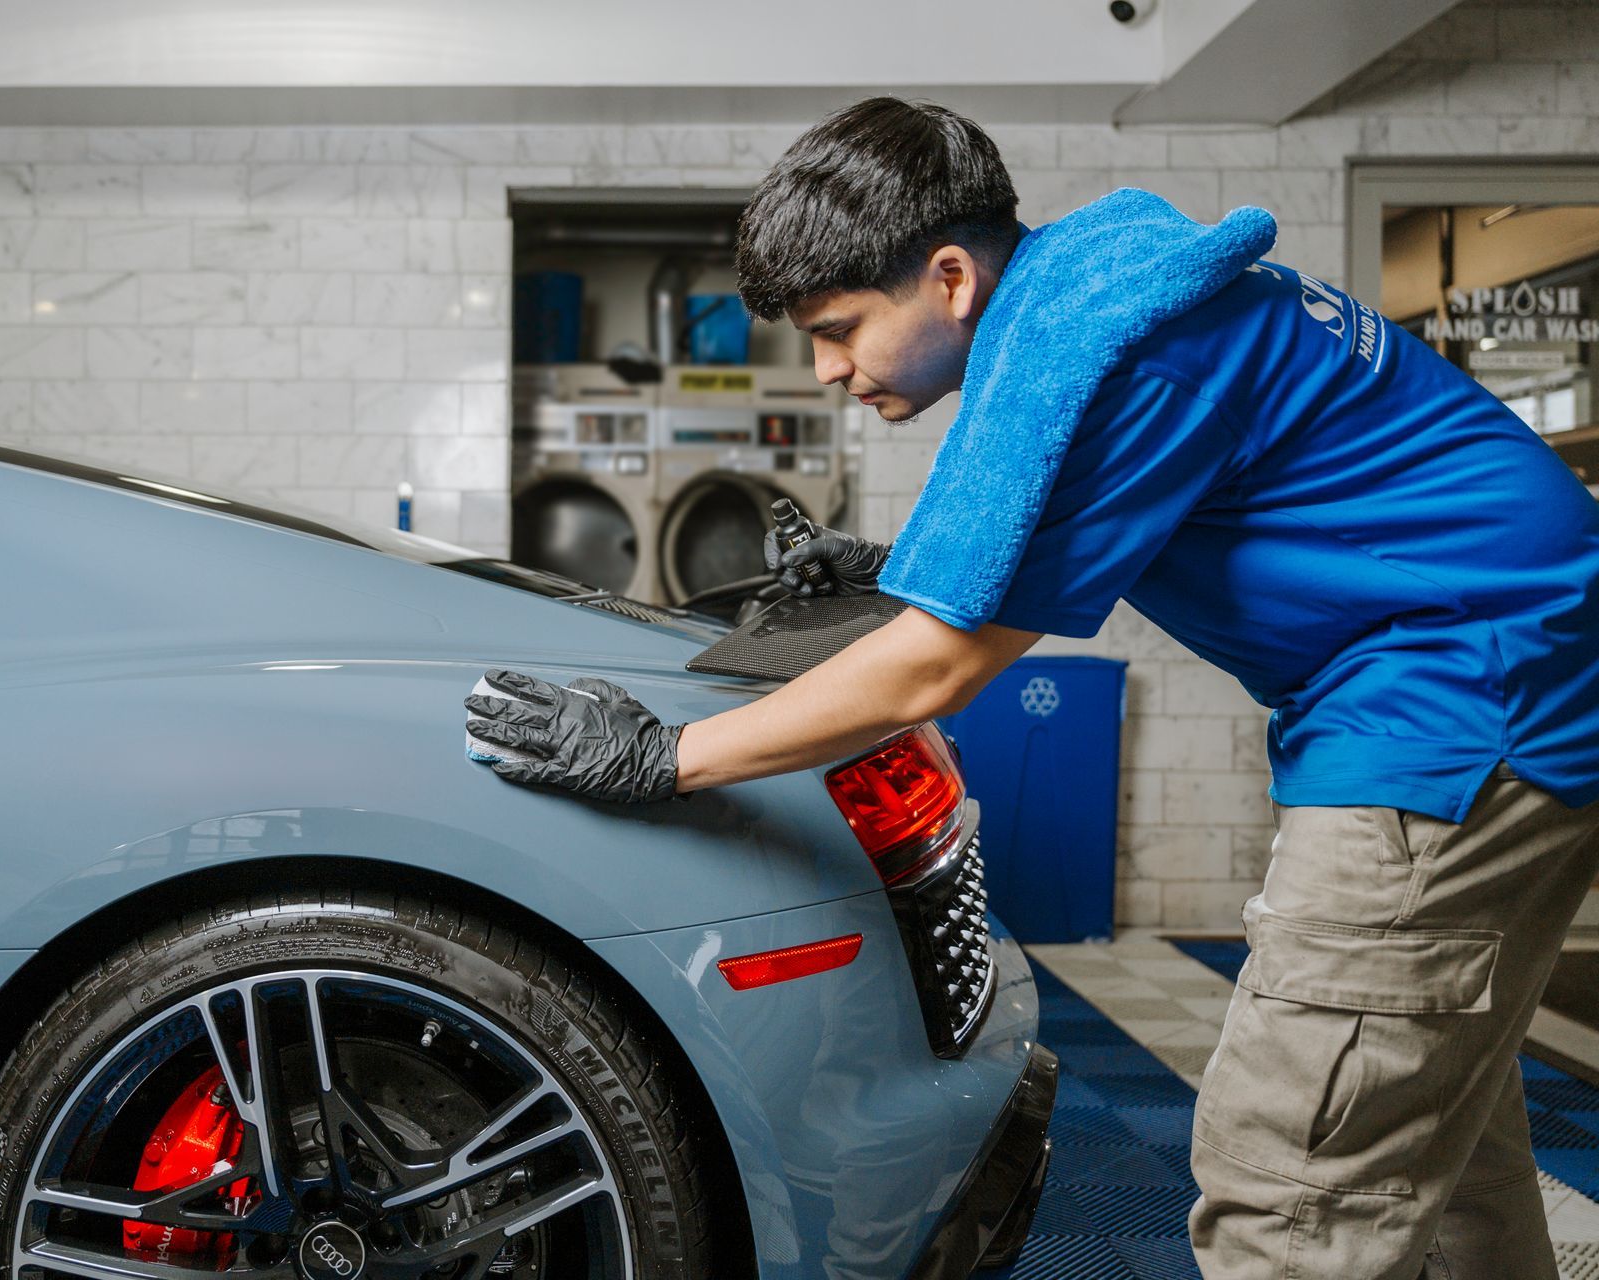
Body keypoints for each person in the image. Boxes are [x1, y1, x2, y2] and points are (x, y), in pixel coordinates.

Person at [462, 96, 1599, 1278]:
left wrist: (667, 757)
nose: (830, 368)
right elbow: (1039, 523)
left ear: (949, 276)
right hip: (1515, 661)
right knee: (1438, 1148)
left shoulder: (1116, 354)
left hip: (1466, 703)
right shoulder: (1095, 296)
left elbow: (941, 666)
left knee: (1290, 1184)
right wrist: (896, 572)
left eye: (842, 326)